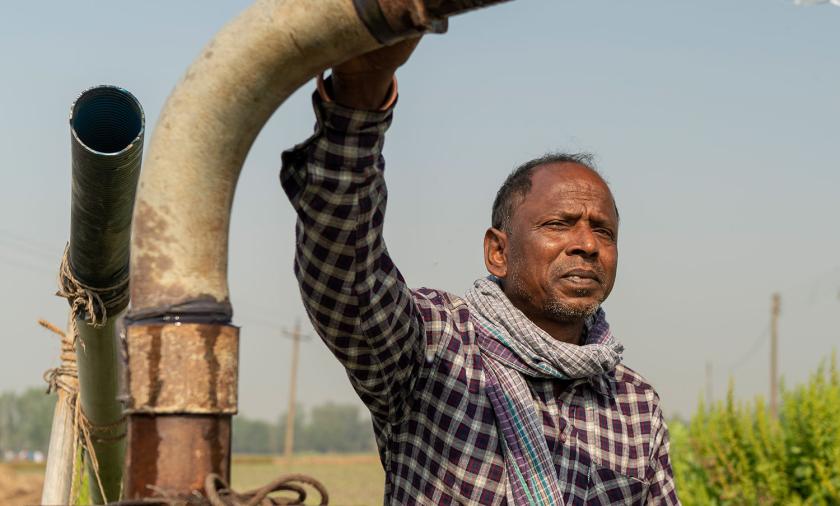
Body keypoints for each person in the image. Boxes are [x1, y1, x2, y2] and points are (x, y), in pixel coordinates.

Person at [280, 38, 680, 505]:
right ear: (497, 252)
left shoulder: (633, 405)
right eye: (558, 224)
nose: (587, 245)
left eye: (604, 232)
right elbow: (345, 274)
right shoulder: (437, 346)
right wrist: (358, 102)